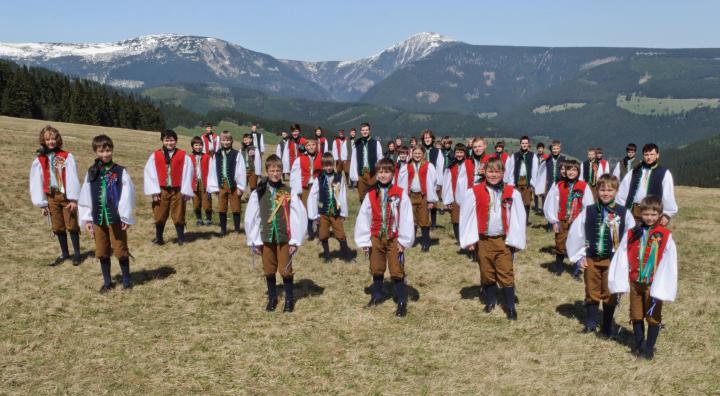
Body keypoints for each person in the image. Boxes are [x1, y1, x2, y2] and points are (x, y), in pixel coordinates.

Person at [608, 196, 678, 360]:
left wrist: (663, 284)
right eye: (646, 214)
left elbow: (669, 261)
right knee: (636, 314)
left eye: (654, 215)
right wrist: (620, 277)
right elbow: (622, 253)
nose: (649, 218)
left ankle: (649, 348)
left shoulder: (665, 236)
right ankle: (639, 344)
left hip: (653, 284)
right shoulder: (633, 233)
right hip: (635, 282)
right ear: (640, 213)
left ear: (660, 215)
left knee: (653, 316)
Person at [566, 174, 635, 336]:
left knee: (610, 292)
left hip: (612, 260)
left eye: (610, 190)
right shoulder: (588, 211)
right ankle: (590, 323)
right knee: (591, 290)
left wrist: (625, 260)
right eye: (602, 189)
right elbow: (577, 233)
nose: (606, 193)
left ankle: (606, 325)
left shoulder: (624, 213)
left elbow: (630, 238)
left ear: (616, 191)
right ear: (597, 190)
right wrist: (579, 256)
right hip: (591, 258)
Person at [459, 157, 526, 320]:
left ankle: (510, 306)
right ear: (484, 172)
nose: (494, 175)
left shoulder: (512, 192)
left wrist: (516, 240)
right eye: (490, 171)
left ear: (503, 173)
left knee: (506, 272)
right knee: (486, 272)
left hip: (504, 241)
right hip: (483, 240)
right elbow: (467, 216)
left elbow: (519, 217)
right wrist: (469, 240)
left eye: (497, 171)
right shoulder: (474, 192)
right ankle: (490, 301)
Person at [245, 155, 307, 313]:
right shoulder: (259, 192)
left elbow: (298, 216)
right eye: (272, 170)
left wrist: (295, 241)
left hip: (284, 237)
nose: (275, 173)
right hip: (266, 237)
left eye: (278, 170)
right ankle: (272, 298)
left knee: (286, 269)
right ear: (266, 171)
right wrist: (255, 240)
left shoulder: (288, 191)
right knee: (268, 269)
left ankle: (289, 300)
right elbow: (252, 217)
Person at [354, 158, 415, 317]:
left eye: (386, 172)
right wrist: (364, 240)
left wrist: (403, 240)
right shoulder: (371, 194)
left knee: (396, 269)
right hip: (376, 237)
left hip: (394, 237)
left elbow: (407, 218)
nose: (383, 175)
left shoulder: (400, 194)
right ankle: (377, 295)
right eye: (380, 172)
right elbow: (364, 216)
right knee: (376, 267)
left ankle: (401, 300)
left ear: (392, 173)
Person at [78, 135, 136, 293]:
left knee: (120, 249)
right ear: (95, 151)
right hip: (98, 219)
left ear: (112, 150)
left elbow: (127, 195)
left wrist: (125, 216)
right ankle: (107, 282)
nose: (105, 154)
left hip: (115, 219)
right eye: (101, 151)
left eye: (108, 150)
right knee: (102, 251)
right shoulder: (91, 172)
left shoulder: (120, 172)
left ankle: (126, 280)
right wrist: (87, 219)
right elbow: (85, 195)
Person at [29, 125, 82, 266]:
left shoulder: (66, 156)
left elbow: (72, 177)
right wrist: (42, 203)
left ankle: (77, 254)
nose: (51, 141)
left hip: (65, 196)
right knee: (58, 226)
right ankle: (65, 253)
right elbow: (37, 181)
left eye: (53, 138)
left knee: (71, 225)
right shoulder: (40, 159)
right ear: (43, 141)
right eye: (48, 139)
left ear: (57, 139)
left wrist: (73, 199)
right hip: (51, 197)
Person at [544, 159, 594, 278]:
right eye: (569, 170)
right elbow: (552, 203)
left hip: (577, 221)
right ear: (565, 171)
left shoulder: (584, 186)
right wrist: (554, 220)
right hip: (562, 220)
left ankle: (576, 270)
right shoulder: (559, 185)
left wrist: (586, 221)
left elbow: (589, 205)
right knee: (560, 243)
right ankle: (559, 268)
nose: (571, 172)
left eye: (574, 170)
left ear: (578, 171)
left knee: (578, 244)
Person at [143, 129, 194, 245]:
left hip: (178, 189)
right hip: (162, 190)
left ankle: (181, 238)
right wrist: (154, 192)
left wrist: (186, 191)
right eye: (166, 140)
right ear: (162, 140)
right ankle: (159, 238)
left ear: (175, 141)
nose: (169, 143)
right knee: (159, 213)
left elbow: (188, 173)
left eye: (171, 140)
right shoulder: (155, 155)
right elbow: (150, 173)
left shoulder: (183, 155)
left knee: (179, 213)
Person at [616, 143, 678, 224]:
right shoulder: (635, 171)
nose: (649, 157)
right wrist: (621, 210)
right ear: (643, 156)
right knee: (631, 236)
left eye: (652, 154)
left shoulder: (664, 173)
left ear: (657, 155)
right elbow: (623, 191)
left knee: (650, 236)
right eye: (646, 154)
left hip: (652, 215)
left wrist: (667, 214)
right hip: (633, 214)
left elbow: (668, 195)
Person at [307, 153, 352, 262]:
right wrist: (314, 214)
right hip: (323, 213)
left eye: (330, 165)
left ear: (333, 165)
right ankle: (327, 256)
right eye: (325, 166)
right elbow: (313, 195)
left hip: (335, 212)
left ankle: (347, 256)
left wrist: (343, 213)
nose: (328, 168)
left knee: (340, 234)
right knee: (323, 234)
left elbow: (342, 195)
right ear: (322, 166)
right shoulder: (319, 178)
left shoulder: (339, 177)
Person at [397, 145, 439, 252]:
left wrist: (431, 200)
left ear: (423, 154)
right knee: (412, 219)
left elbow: (432, 184)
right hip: (410, 196)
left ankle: (426, 242)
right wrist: (402, 197)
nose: (417, 155)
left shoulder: (429, 166)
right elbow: (402, 183)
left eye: (419, 153)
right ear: (411, 154)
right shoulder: (406, 167)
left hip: (423, 196)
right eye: (415, 153)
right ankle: (412, 240)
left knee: (424, 219)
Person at [206, 131, 247, 236]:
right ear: (221, 141)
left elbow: (241, 171)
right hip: (221, 184)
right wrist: (214, 187)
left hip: (233, 185)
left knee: (236, 206)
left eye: (228, 140)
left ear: (231, 141)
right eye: (224, 140)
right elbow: (213, 171)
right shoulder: (217, 155)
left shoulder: (236, 154)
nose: (226, 142)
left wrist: (240, 187)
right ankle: (223, 229)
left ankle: (237, 229)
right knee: (222, 207)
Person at [290, 137, 322, 240]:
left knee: (318, 207)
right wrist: (296, 189)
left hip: (318, 186)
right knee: (306, 207)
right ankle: (309, 230)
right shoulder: (300, 159)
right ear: (305, 147)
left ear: (316, 146)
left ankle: (320, 229)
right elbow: (295, 175)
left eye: (313, 145)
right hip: (306, 186)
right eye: (308, 145)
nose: (311, 147)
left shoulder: (321, 157)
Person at [504, 136, 539, 224]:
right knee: (516, 201)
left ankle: (525, 220)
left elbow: (535, 170)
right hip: (517, 181)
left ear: (528, 145)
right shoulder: (515, 155)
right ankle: (516, 219)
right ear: (520, 144)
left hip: (527, 181)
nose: (524, 145)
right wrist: (510, 182)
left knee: (526, 203)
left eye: (526, 143)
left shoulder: (532, 156)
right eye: (523, 143)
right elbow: (510, 169)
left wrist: (533, 183)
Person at [442, 143, 471, 245]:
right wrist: (448, 199)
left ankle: (467, 239)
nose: (459, 154)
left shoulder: (469, 164)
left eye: (461, 152)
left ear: (465, 153)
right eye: (457, 152)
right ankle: (459, 240)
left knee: (467, 220)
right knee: (455, 219)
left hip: (467, 196)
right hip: (454, 196)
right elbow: (447, 183)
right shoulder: (451, 166)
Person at [349, 122, 383, 201]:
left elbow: (380, 159)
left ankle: (373, 213)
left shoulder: (376, 143)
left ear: (369, 131)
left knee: (374, 196)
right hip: (361, 174)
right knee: (362, 197)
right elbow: (354, 160)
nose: (365, 132)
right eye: (363, 130)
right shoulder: (357, 144)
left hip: (373, 174)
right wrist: (354, 176)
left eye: (366, 130)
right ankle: (364, 212)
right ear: (360, 132)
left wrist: (379, 173)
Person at [420, 129, 445, 229]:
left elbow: (440, 166)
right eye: (425, 138)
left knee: (433, 201)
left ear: (432, 139)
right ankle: (424, 221)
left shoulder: (437, 151)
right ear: (423, 139)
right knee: (423, 201)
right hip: (422, 179)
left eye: (429, 137)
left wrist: (439, 182)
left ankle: (433, 223)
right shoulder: (419, 150)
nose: (427, 139)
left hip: (433, 180)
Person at [189, 136, 213, 226]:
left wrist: (211, 184)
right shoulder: (189, 157)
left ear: (202, 146)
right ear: (192, 146)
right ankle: (199, 219)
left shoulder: (207, 157)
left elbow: (211, 170)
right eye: (196, 145)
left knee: (207, 202)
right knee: (196, 203)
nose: (198, 147)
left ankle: (208, 219)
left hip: (205, 183)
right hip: (194, 183)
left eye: (200, 145)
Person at [534, 142, 550, 212]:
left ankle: (543, 208)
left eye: (541, 148)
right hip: (536, 177)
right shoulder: (535, 157)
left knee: (543, 194)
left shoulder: (546, 157)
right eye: (539, 148)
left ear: (543, 149)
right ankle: (536, 207)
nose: (540, 149)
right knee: (535, 192)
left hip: (544, 177)